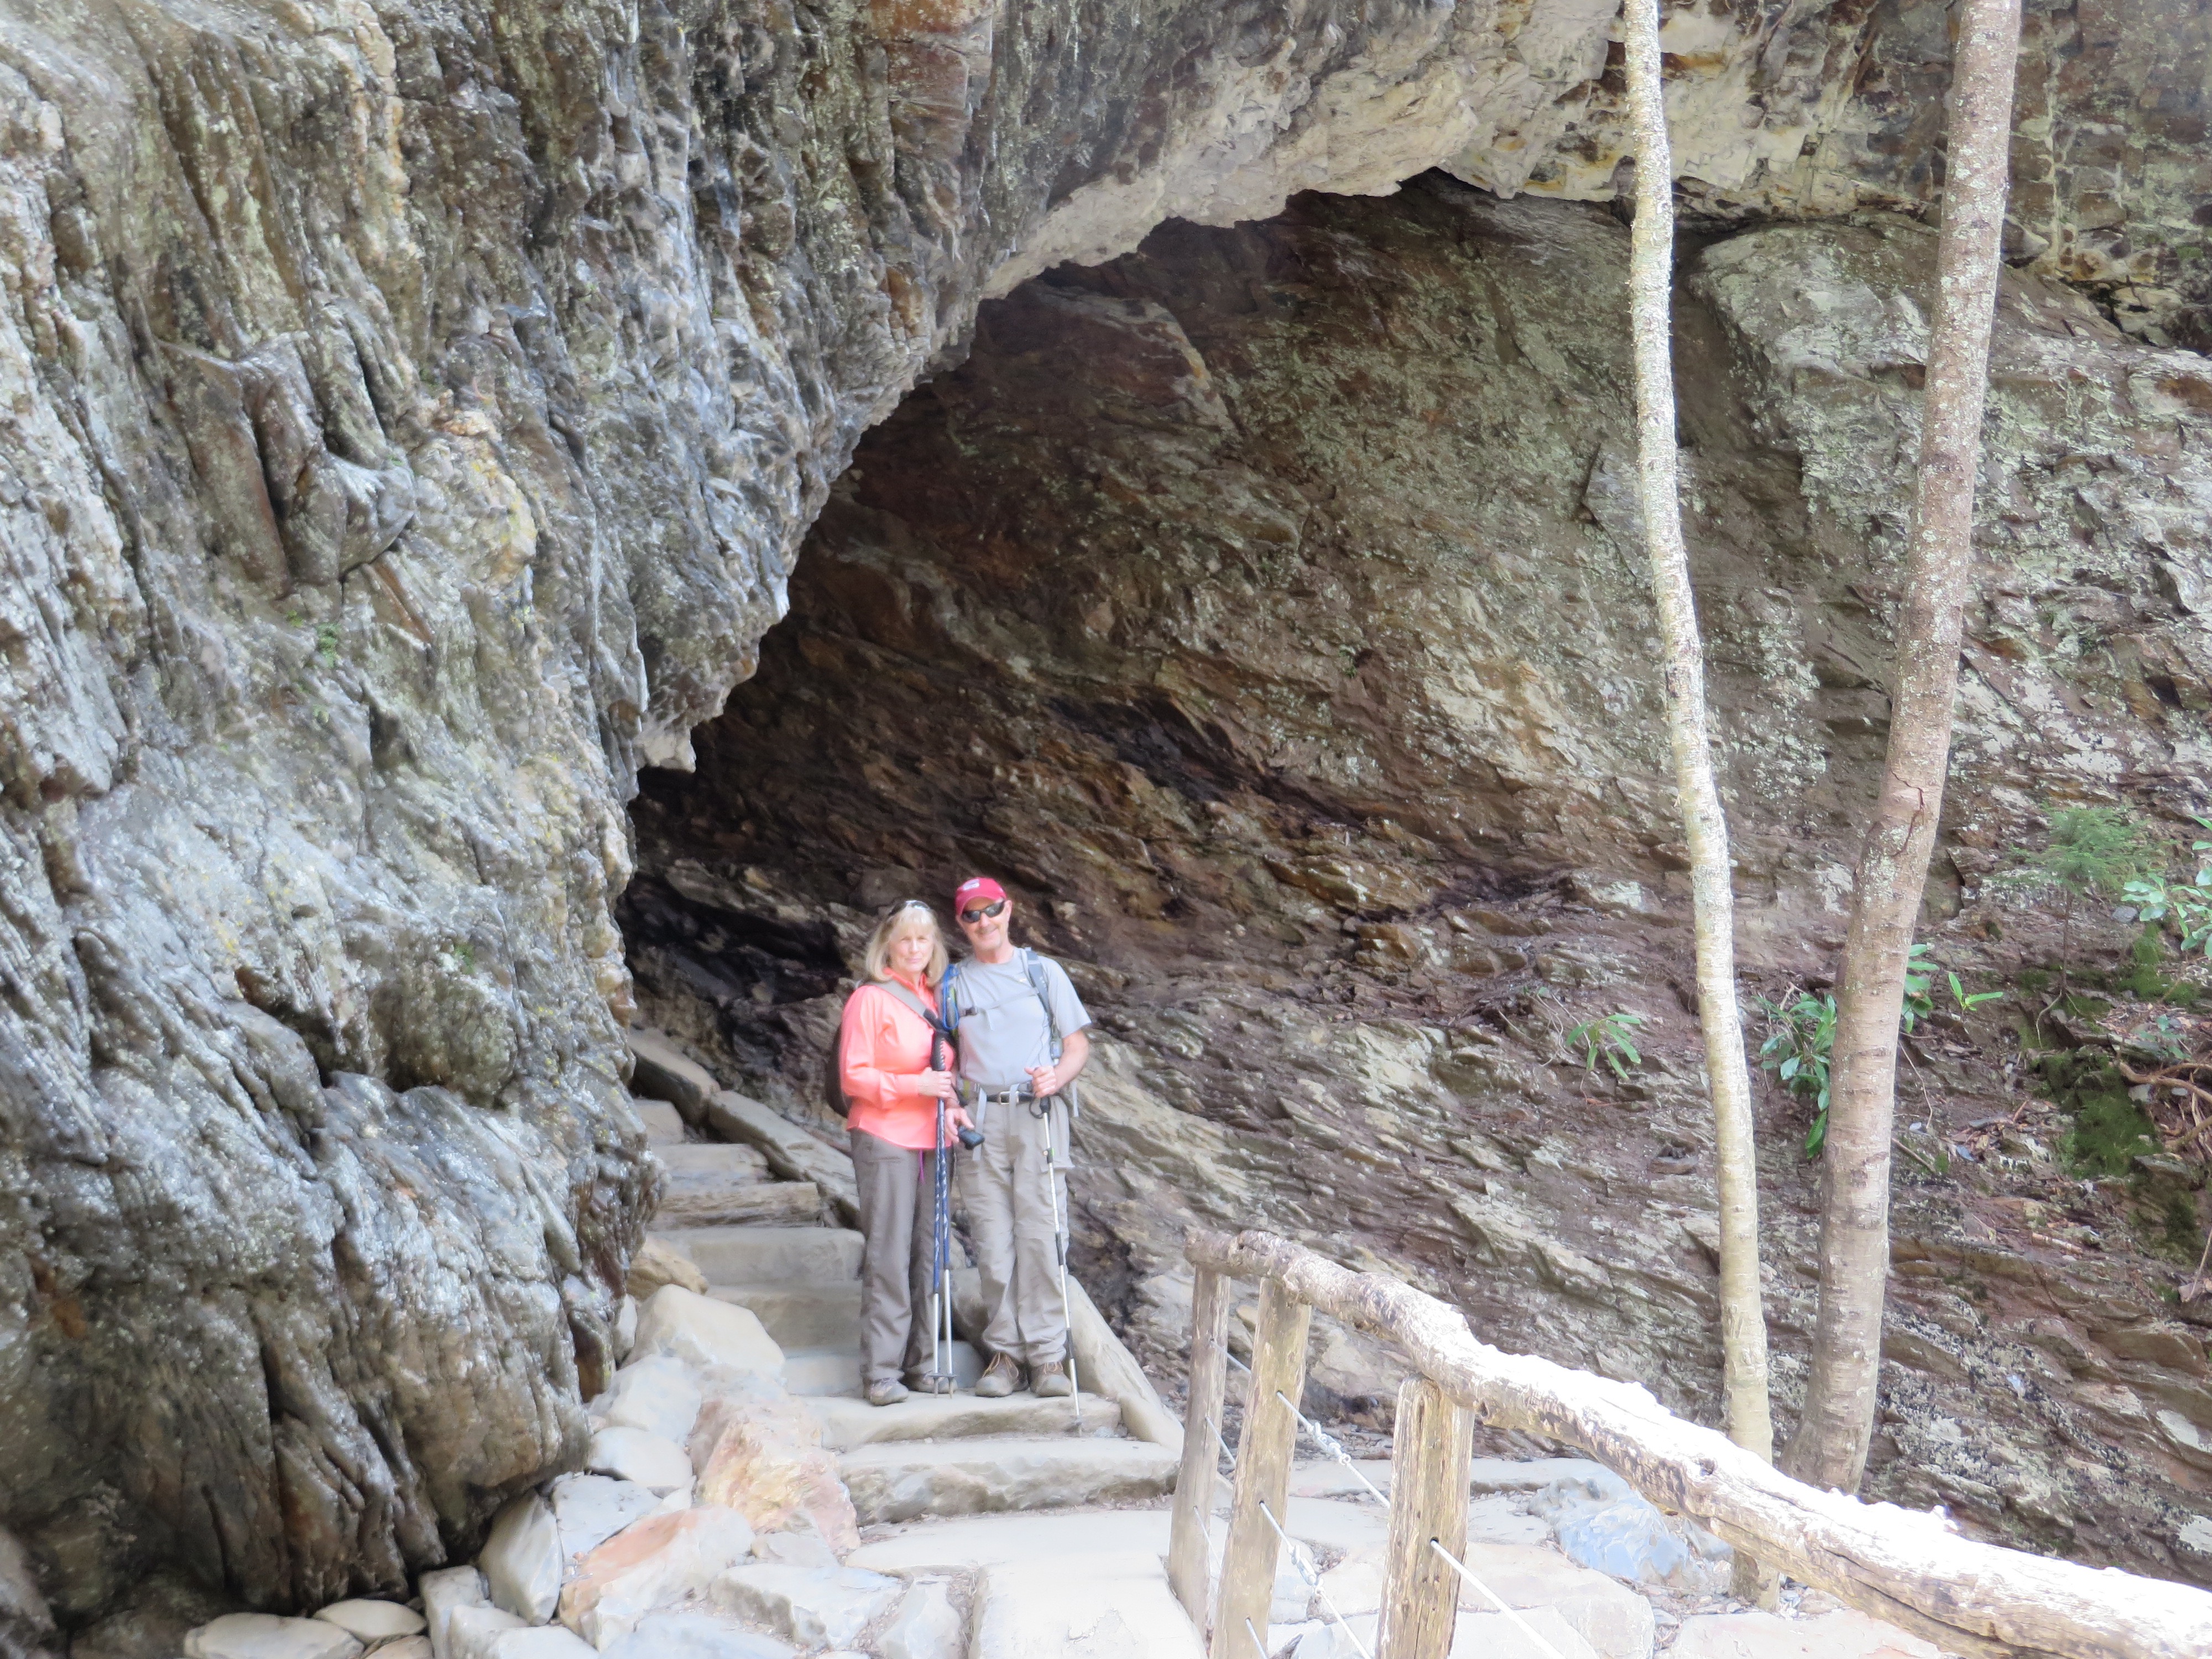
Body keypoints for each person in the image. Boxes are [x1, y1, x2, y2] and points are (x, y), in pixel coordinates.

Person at [942, 877, 1093, 1399]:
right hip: (981, 1121)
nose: (984, 922)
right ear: (961, 924)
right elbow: (942, 1053)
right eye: (971, 915)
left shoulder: (1041, 971)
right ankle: (1005, 1355)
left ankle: (1049, 1359)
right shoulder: (953, 983)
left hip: (1037, 1116)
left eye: (992, 910)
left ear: (1010, 910)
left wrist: (1058, 1075)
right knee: (993, 1241)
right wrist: (950, 1105)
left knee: (1044, 1235)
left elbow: (1075, 1046)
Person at [837, 900, 974, 1407]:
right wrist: (916, 1084)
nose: (915, 948)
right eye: (906, 940)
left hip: (935, 1138)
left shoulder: (936, 999)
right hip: (886, 1135)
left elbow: (945, 1073)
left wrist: (953, 1103)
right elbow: (854, 1076)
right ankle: (881, 1372)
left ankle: (921, 1364)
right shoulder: (869, 1000)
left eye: (924, 940)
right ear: (887, 947)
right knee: (890, 1254)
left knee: (930, 1253)